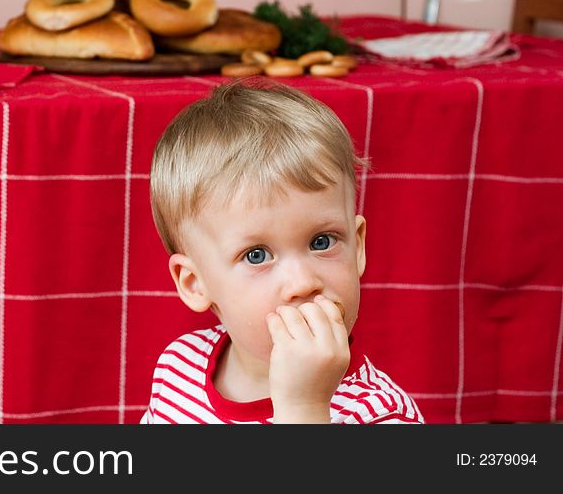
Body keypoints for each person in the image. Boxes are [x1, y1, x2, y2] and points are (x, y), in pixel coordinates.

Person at [142, 80, 423, 424]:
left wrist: (304, 409)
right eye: (257, 255)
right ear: (195, 282)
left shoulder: (378, 412)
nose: (302, 283)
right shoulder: (178, 369)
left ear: (358, 245)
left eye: (322, 242)